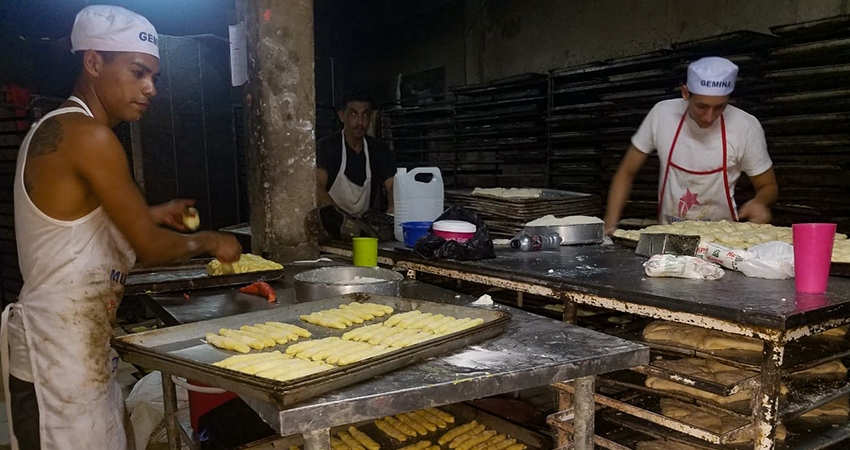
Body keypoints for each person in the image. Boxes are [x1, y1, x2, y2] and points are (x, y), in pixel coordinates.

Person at [1, 6, 242, 450]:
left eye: (153, 76)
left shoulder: (62, 129)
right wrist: (209, 241)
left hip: (80, 350)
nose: (150, 88)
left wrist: (150, 212)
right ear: (93, 63)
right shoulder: (89, 136)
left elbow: (74, 226)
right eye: (137, 72)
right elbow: (148, 249)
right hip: (57, 359)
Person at [603, 57, 778, 234]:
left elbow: (768, 186)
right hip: (668, 236)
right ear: (685, 93)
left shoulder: (746, 127)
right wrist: (610, 224)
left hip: (720, 242)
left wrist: (760, 202)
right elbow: (626, 172)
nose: (709, 117)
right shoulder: (662, 115)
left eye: (719, 107)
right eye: (702, 106)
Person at [316, 92, 396, 216]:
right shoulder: (328, 146)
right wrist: (340, 218)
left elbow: (392, 185)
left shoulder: (379, 149)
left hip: (364, 225)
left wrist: (392, 209)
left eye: (365, 115)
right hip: (332, 222)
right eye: (353, 114)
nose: (360, 122)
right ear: (342, 116)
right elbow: (318, 187)